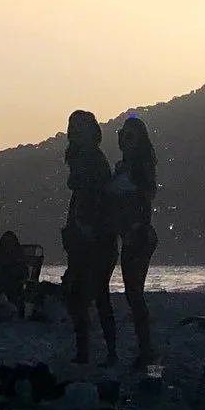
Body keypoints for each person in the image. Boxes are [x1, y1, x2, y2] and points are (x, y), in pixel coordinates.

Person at [61, 110, 119, 365]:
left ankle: (105, 352)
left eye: (79, 127)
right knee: (82, 293)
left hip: (97, 236)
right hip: (82, 235)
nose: (75, 132)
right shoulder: (82, 158)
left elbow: (98, 200)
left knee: (95, 294)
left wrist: (88, 228)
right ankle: (90, 351)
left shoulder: (95, 160)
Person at [112, 115, 160, 367]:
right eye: (122, 134)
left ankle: (147, 350)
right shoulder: (123, 167)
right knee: (133, 294)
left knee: (134, 294)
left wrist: (133, 228)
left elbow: (144, 202)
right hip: (129, 234)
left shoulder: (140, 169)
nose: (123, 139)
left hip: (137, 235)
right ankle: (146, 349)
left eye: (129, 135)